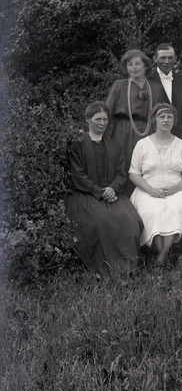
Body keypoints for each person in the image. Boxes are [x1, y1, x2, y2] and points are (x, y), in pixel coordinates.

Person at [67, 102, 141, 276]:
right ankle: (106, 268)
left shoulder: (115, 146)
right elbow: (78, 175)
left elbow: (121, 172)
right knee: (101, 221)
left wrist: (113, 188)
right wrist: (100, 192)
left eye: (105, 119)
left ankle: (128, 267)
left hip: (113, 192)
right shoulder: (77, 146)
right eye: (98, 119)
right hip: (87, 194)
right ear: (88, 120)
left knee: (130, 220)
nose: (102, 123)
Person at [128, 103, 182, 268]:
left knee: (177, 208)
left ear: (174, 120)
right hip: (148, 188)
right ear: (154, 120)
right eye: (161, 117)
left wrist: (176, 188)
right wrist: (150, 190)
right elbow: (133, 173)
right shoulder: (142, 144)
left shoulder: (181, 144)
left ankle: (162, 256)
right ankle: (164, 255)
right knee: (153, 210)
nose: (166, 120)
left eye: (169, 117)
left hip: (175, 188)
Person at [106, 49, 156, 170]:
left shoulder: (155, 87)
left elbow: (161, 114)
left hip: (147, 131)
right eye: (130, 64)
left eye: (137, 63)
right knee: (123, 165)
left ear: (145, 65)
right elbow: (106, 114)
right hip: (123, 133)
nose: (134, 68)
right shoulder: (119, 86)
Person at [147, 44, 182, 138]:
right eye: (162, 58)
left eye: (170, 58)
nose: (167, 62)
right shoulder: (147, 81)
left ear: (175, 58)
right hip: (155, 133)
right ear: (155, 59)